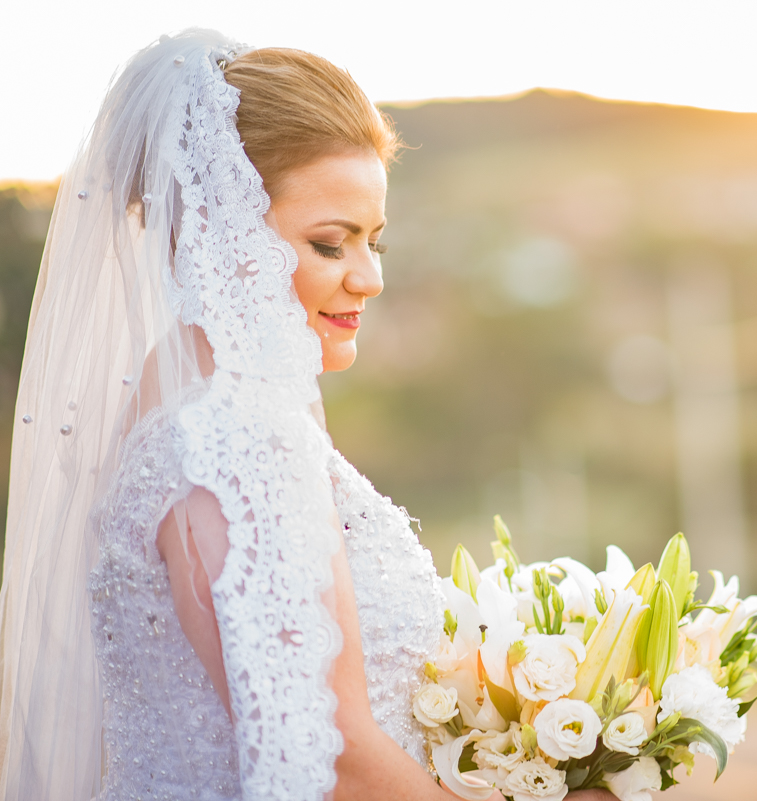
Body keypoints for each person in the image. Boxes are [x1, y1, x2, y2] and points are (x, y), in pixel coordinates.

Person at [0, 30, 614, 801]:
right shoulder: (236, 433)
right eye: (331, 243)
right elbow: (330, 755)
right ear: (226, 238)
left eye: (375, 240)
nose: (370, 278)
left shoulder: (176, 406)